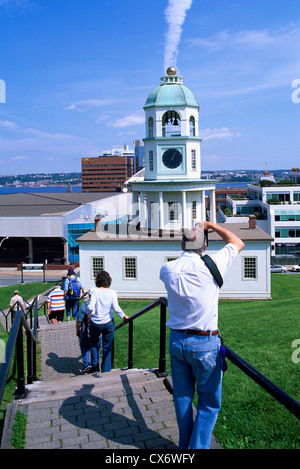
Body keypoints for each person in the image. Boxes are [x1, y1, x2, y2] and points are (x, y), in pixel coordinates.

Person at [159, 221, 245, 449]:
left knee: (182, 397)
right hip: (205, 343)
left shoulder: (167, 269)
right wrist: (210, 224)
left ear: (181, 244)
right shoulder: (213, 264)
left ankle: (184, 445)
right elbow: (237, 242)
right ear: (205, 246)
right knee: (208, 403)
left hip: (177, 341)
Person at [86, 270, 129, 373]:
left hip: (96, 322)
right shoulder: (113, 293)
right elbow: (116, 307)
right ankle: (106, 370)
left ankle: (95, 367)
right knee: (107, 347)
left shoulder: (95, 291)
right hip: (108, 322)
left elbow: (91, 306)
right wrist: (123, 315)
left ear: (98, 281)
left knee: (94, 344)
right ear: (109, 281)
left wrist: (88, 311)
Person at [76, 294, 94, 373]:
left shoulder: (85, 304)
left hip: (86, 330)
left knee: (84, 346)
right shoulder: (100, 303)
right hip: (97, 330)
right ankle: (95, 365)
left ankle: (87, 364)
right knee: (95, 346)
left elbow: (79, 320)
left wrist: (77, 330)